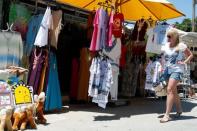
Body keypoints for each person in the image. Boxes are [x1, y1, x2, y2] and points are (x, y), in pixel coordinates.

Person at [159, 28, 193, 123]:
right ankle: (179, 109)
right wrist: (161, 67)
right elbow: (163, 57)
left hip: (177, 70)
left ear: (175, 37)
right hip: (167, 70)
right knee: (173, 91)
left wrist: (184, 62)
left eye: (169, 36)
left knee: (169, 89)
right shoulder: (165, 46)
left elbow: (190, 55)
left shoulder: (181, 46)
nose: (167, 38)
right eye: (167, 36)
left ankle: (167, 115)